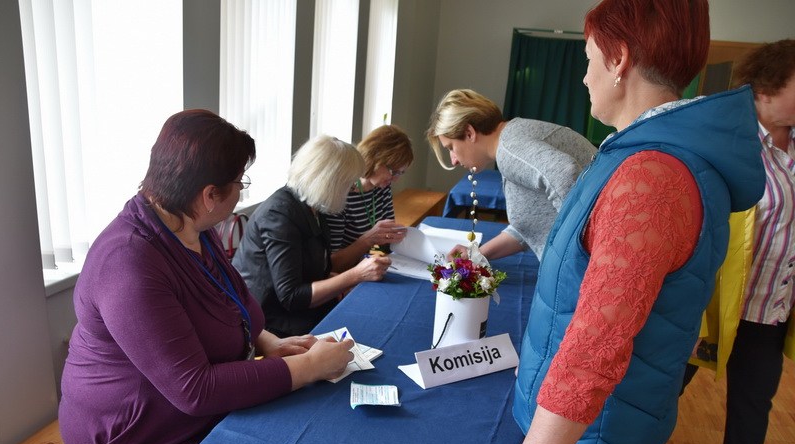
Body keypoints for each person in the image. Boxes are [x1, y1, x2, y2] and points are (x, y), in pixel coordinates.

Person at [473, 0, 767, 444]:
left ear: (619, 60)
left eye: (589, 60)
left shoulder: (651, 177)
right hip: (591, 431)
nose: (584, 77)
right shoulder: (644, 155)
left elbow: (591, 356)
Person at [58, 110, 356, 444]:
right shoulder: (128, 263)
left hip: (191, 418)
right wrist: (309, 367)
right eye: (240, 183)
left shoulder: (189, 227)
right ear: (210, 194)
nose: (241, 192)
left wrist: (270, 342)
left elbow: (233, 299)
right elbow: (194, 389)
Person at [657, 39, 795, 444]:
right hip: (713, 303)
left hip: (771, 306)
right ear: (766, 87)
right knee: (667, 387)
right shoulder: (729, 143)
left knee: (754, 403)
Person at [232, 135, 390, 337]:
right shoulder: (279, 214)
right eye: (349, 183)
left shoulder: (313, 205)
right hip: (273, 324)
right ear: (330, 181)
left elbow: (314, 267)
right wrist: (355, 275)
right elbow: (292, 297)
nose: (351, 189)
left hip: (304, 311)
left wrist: (337, 280)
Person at [426, 89, 597, 261]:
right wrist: (476, 255)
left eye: (451, 148)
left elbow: (564, 172)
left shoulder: (510, 149)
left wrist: (575, 251)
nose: (454, 160)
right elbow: (530, 225)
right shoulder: (512, 138)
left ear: (469, 133)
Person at [325, 124, 413, 272]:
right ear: (374, 158)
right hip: (345, 275)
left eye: (400, 173)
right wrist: (367, 240)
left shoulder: (382, 188)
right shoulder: (341, 193)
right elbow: (332, 264)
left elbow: (386, 241)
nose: (396, 179)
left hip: (367, 266)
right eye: (393, 171)